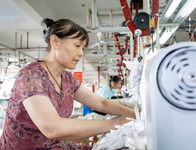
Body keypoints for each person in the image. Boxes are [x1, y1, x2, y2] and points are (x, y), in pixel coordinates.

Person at [0, 18, 135, 150]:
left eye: (83, 48)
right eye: (77, 46)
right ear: (55, 42)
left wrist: (134, 114)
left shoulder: (67, 80)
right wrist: (115, 123)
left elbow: (101, 103)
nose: (81, 53)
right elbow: (52, 128)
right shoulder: (31, 77)